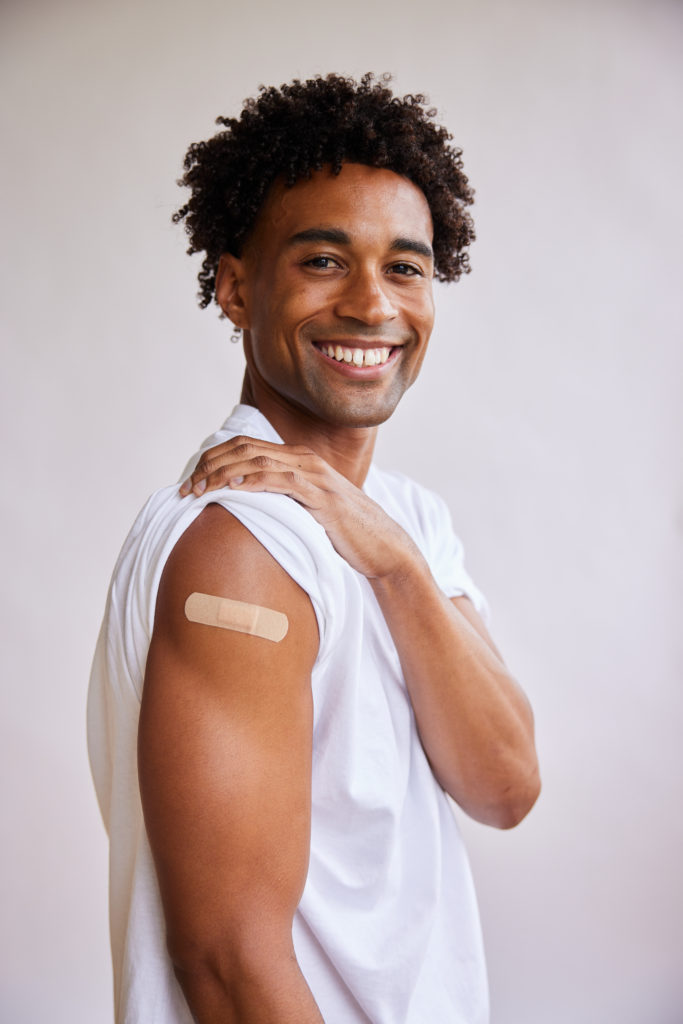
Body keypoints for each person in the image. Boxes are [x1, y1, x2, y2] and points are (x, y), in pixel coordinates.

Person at [88, 72, 540, 1024]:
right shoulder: (240, 545)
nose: (374, 305)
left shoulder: (404, 523)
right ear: (236, 284)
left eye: (406, 267)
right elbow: (225, 959)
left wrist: (390, 560)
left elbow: (504, 785)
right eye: (323, 261)